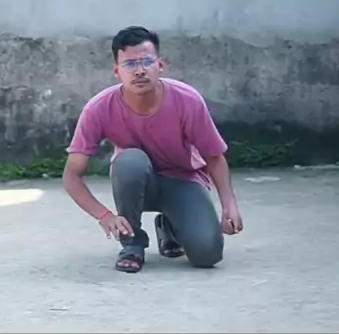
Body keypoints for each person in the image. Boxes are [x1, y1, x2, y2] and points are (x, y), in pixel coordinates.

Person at [62, 26, 243, 273]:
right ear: (117, 71)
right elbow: (72, 175)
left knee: (207, 254)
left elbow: (214, 156)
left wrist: (229, 205)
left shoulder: (187, 100)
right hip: (136, 182)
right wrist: (104, 216)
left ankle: (169, 226)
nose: (139, 70)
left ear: (160, 65)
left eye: (146, 61)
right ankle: (132, 243)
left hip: (183, 180)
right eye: (129, 64)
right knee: (130, 162)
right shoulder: (99, 109)